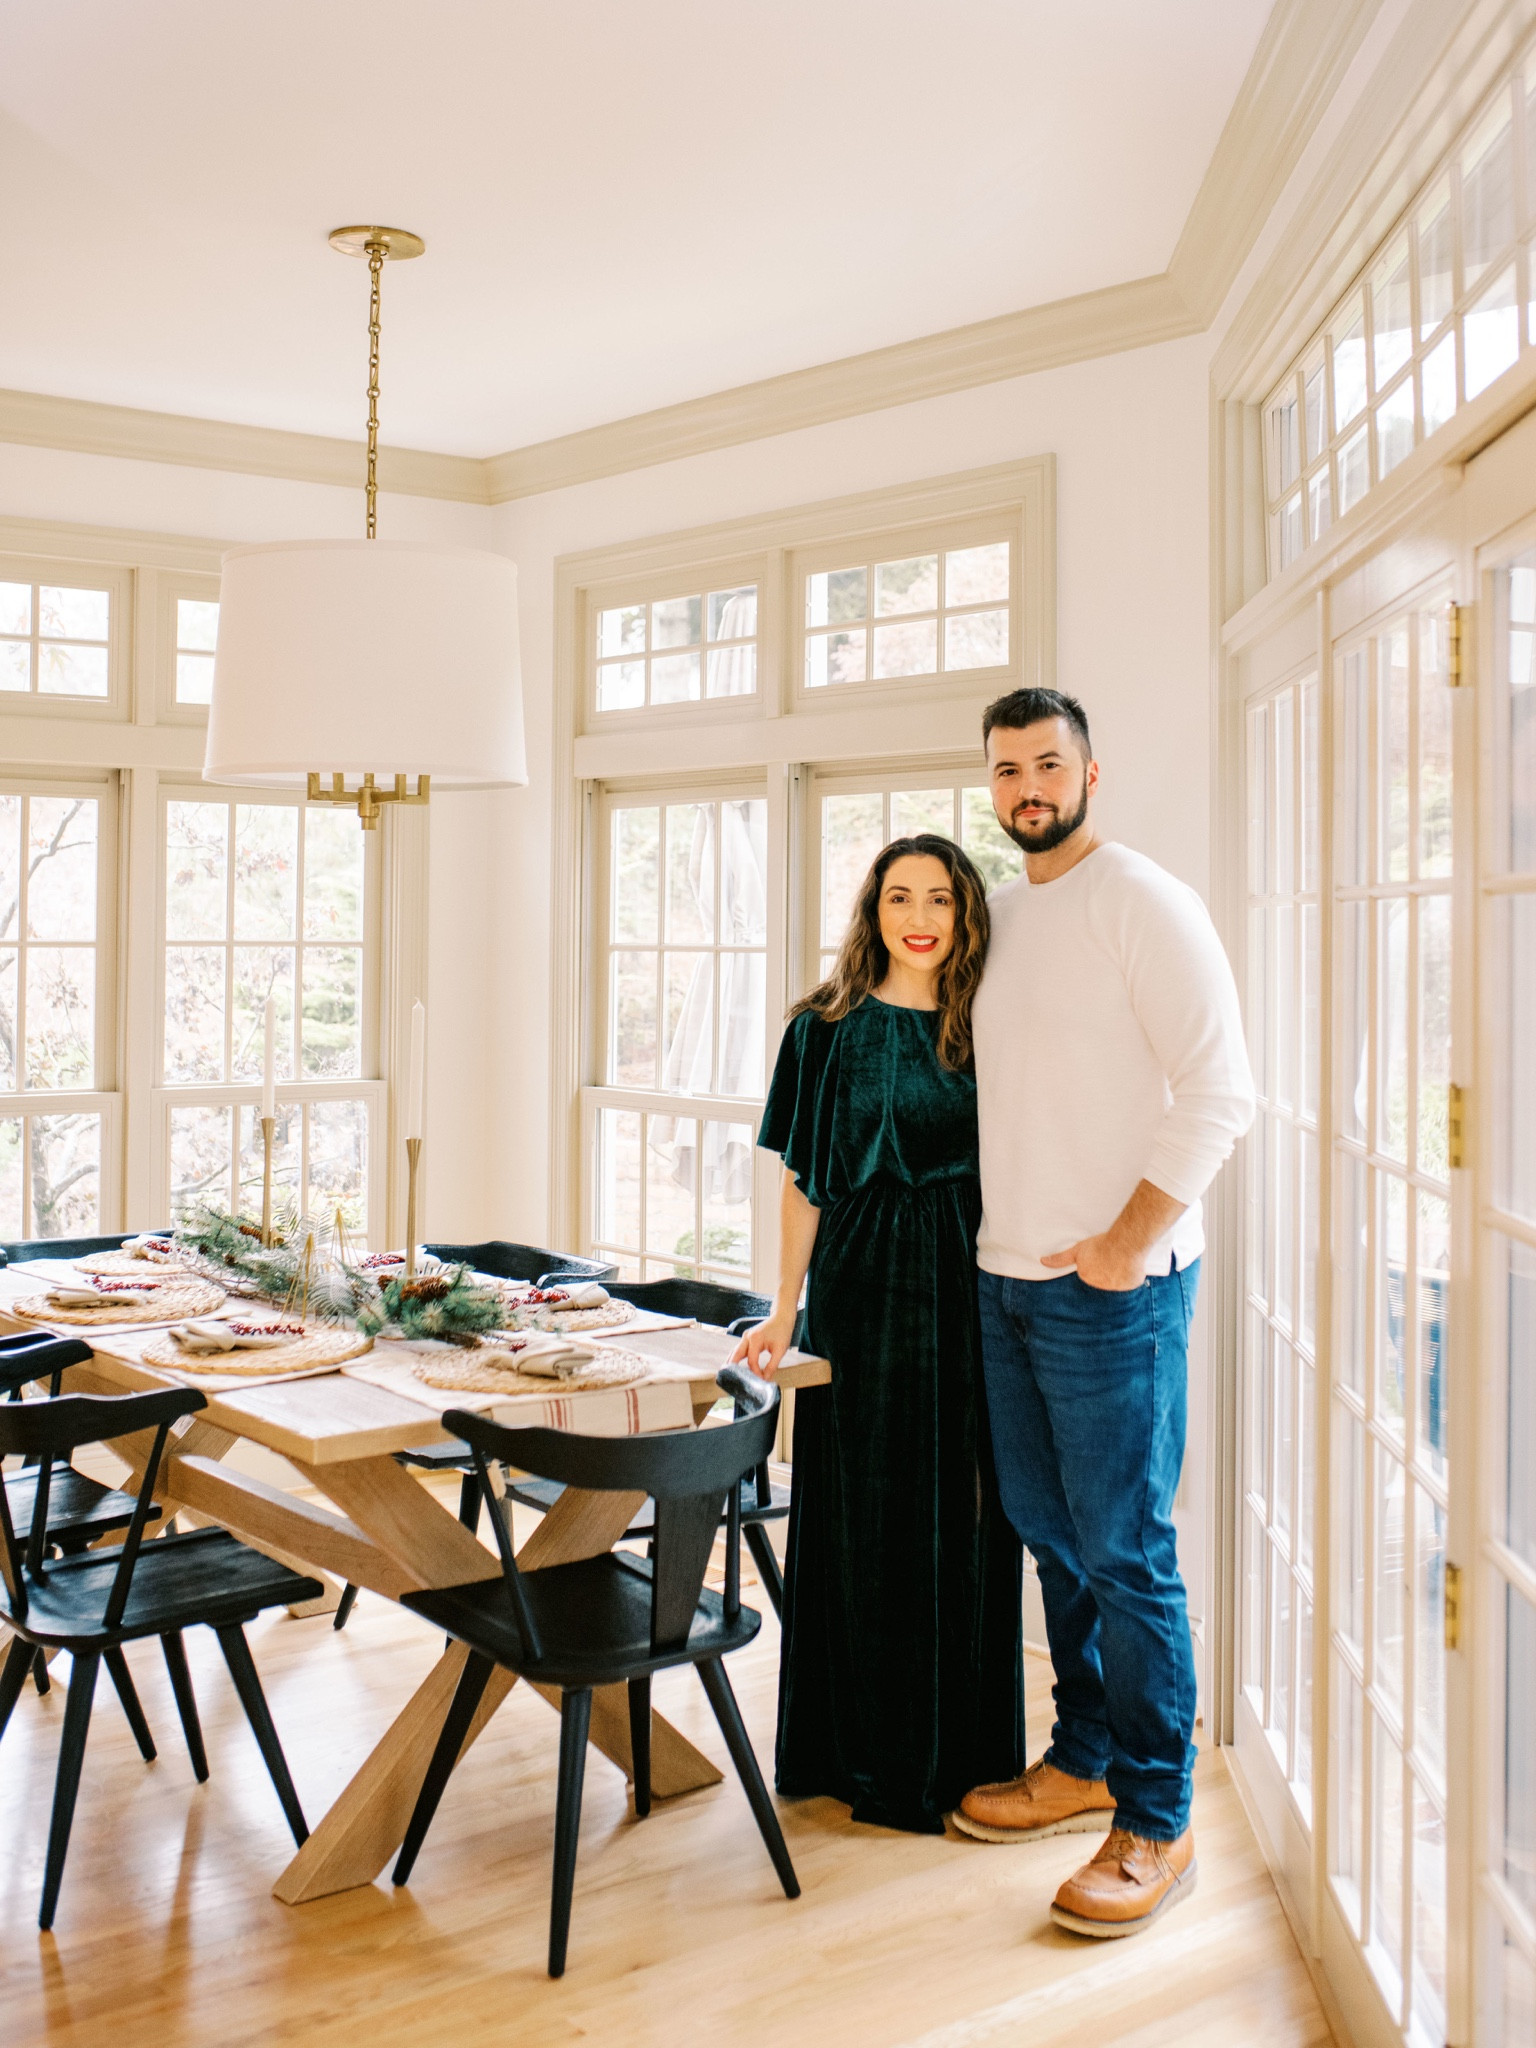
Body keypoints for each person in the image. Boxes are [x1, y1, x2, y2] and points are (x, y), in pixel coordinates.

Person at [955, 687, 1255, 1938]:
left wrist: (1129, 1243)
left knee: (1127, 1551)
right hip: (1007, 1277)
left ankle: (1157, 1814)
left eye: (1048, 763)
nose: (1029, 786)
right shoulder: (1004, 916)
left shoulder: (1143, 900)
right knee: (1048, 1531)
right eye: (1008, 768)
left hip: (1109, 1291)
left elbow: (1223, 1088)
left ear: (1092, 771)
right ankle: (1080, 1757)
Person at [732, 834, 1025, 1835]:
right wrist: (782, 1304)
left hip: (965, 1284)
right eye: (899, 895)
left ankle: (953, 1758)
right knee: (857, 1509)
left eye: (939, 897)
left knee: (962, 1511)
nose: (919, 914)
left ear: (964, 911)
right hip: (856, 1286)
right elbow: (807, 1179)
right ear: (873, 910)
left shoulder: (995, 1024)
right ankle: (839, 1750)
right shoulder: (823, 1029)